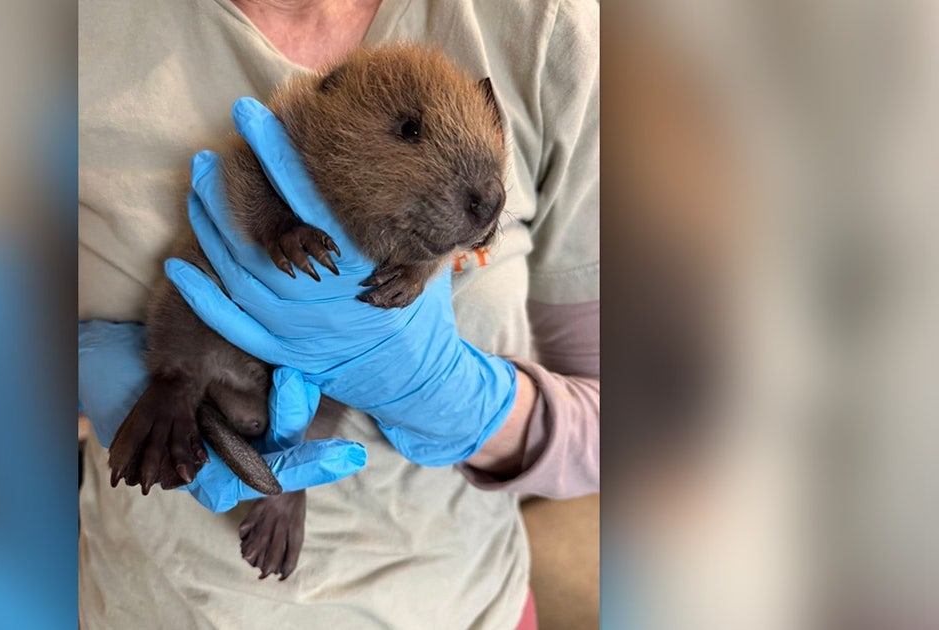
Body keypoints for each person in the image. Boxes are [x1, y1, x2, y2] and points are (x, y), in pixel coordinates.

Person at [78, 0, 599, 627]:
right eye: (410, 132)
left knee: (313, 412)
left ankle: (284, 489)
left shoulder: (540, 28)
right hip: (157, 600)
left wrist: (463, 402)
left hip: (460, 605)